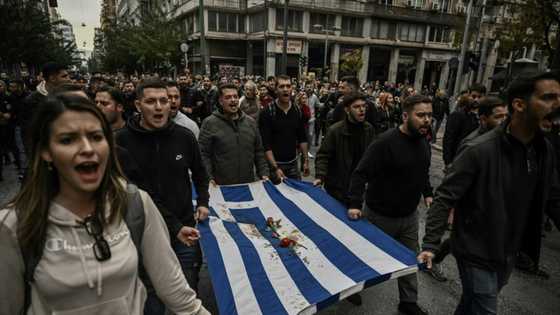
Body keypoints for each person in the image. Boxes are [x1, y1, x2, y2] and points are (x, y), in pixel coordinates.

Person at [0, 93, 209, 315]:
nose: (87, 149)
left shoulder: (136, 205)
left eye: (96, 137)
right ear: (45, 151)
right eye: (68, 139)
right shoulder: (14, 225)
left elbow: (178, 293)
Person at [418, 72, 560, 315]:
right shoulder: (479, 150)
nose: (556, 105)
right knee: (485, 309)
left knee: (471, 304)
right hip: (475, 250)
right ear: (519, 104)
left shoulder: (542, 149)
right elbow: (445, 197)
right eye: (548, 98)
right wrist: (430, 244)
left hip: (508, 250)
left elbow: (553, 197)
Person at [115, 78, 210, 314]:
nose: (158, 107)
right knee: (152, 300)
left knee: (187, 295)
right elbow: (143, 194)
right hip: (143, 235)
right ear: (138, 105)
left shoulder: (185, 136)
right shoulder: (120, 142)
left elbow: (200, 172)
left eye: (163, 101)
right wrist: (174, 226)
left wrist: (204, 202)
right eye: (150, 101)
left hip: (184, 234)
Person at [347, 94, 433, 315]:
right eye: (421, 115)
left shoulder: (424, 141)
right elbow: (360, 174)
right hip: (378, 216)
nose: (427, 120)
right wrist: (355, 204)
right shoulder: (384, 143)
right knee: (364, 257)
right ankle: (349, 288)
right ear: (405, 116)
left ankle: (408, 302)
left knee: (410, 259)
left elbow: (422, 172)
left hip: (409, 217)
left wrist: (428, 193)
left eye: (429, 115)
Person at [198, 83, 269, 185]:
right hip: (221, 187)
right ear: (220, 101)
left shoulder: (250, 123)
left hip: (247, 186)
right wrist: (209, 178)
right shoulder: (209, 123)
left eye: (235, 96)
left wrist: (264, 173)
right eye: (228, 97)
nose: (233, 100)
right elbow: (203, 154)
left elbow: (259, 152)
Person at [259, 75, 309, 182]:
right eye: (282, 86)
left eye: (288, 86)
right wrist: (275, 168)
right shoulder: (268, 112)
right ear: (276, 90)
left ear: (292, 89)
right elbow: (266, 144)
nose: (285, 89)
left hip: (293, 164)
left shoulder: (297, 110)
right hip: (274, 165)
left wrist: (305, 161)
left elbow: (302, 137)